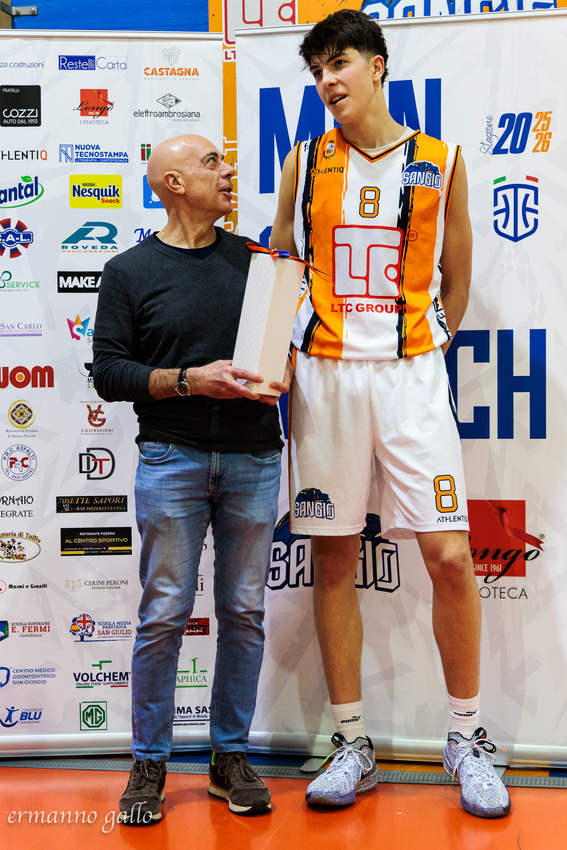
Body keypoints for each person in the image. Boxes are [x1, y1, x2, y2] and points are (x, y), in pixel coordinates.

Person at [271, 9, 510, 819]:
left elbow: (457, 277)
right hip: (326, 379)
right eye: (316, 72)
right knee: (334, 557)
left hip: (410, 376)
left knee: (449, 556)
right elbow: (281, 264)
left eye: (338, 63)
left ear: (377, 65)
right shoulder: (304, 160)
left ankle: (466, 738)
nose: (326, 81)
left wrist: (423, 344)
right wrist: (278, 356)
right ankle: (350, 743)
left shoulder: (440, 160)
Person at [93, 134, 289, 823]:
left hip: (254, 458)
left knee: (243, 612)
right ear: (173, 183)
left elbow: (282, 354)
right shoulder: (127, 271)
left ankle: (229, 758)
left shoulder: (260, 264)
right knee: (164, 613)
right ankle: (149, 762)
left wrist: (284, 369)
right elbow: (109, 373)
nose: (228, 170)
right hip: (169, 458)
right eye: (211, 163)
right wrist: (188, 380)